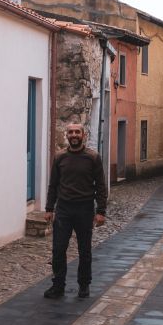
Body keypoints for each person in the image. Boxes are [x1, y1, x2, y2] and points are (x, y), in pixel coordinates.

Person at [43, 123, 107, 299]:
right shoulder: (60, 157)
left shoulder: (93, 158)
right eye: (70, 132)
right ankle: (58, 285)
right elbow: (53, 185)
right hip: (64, 209)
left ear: (83, 135)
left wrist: (101, 211)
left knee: (84, 250)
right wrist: (49, 208)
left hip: (85, 209)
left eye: (77, 132)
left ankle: (84, 285)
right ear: (66, 135)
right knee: (58, 249)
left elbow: (101, 186)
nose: (74, 135)